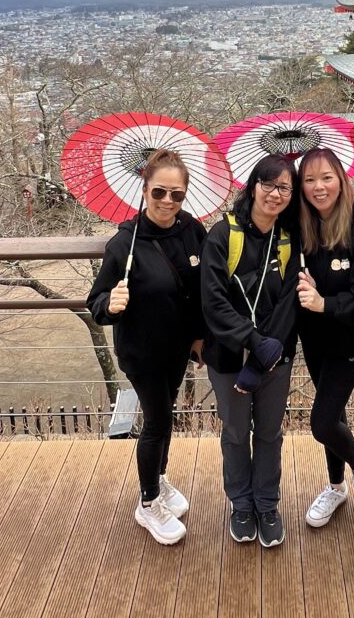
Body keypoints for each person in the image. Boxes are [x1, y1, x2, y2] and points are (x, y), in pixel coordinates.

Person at [87, 148, 206, 546]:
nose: (168, 202)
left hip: (178, 349)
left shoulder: (192, 230)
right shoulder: (125, 244)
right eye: (159, 193)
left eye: (177, 194)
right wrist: (111, 304)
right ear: (144, 191)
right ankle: (148, 502)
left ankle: (160, 477)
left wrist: (200, 336)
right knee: (156, 423)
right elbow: (96, 302)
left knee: (165, 415)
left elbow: (202, 289)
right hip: (143, 351)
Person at [201, 154, 300, 549]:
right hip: (228, 357)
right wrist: (252, 341)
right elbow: (212, 302)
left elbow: (289, 302)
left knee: (271, 433)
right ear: (253, 186)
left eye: (285, 188)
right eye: (268, 184)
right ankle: (240, 504)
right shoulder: (223, 235)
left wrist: (265, 352)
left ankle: (267, 503)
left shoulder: (289, 240)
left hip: (274, 358)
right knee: (237, 432)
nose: (275, 194)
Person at [296, 147, 354, 527]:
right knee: (334, 414)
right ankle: (335, 487)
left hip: (349, 340)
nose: (319, 187)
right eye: (309, 179)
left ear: (342, 179)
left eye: (326, 177)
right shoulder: (301, 227)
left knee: (322, 421)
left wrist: (323, 303)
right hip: (314, 338)